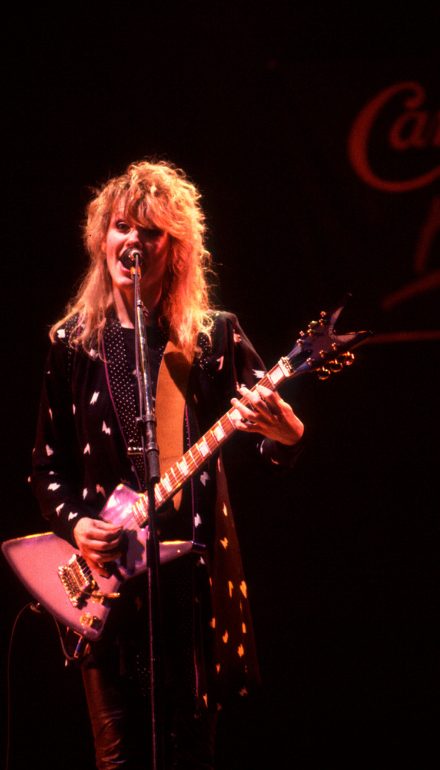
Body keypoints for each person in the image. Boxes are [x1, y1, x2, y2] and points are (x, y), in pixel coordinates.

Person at [30, 160, 305, 768]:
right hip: (103, 585)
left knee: (190, 753)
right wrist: (78, 525)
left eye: (151, 231)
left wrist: (287, 434)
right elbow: (47, 466)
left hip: (190, 588)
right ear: (103, 238)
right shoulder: (70, 346)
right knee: (118, 757)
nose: (133, 241)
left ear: (174, 249)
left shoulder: (214, 338)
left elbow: (267, 447)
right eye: (122, 226)